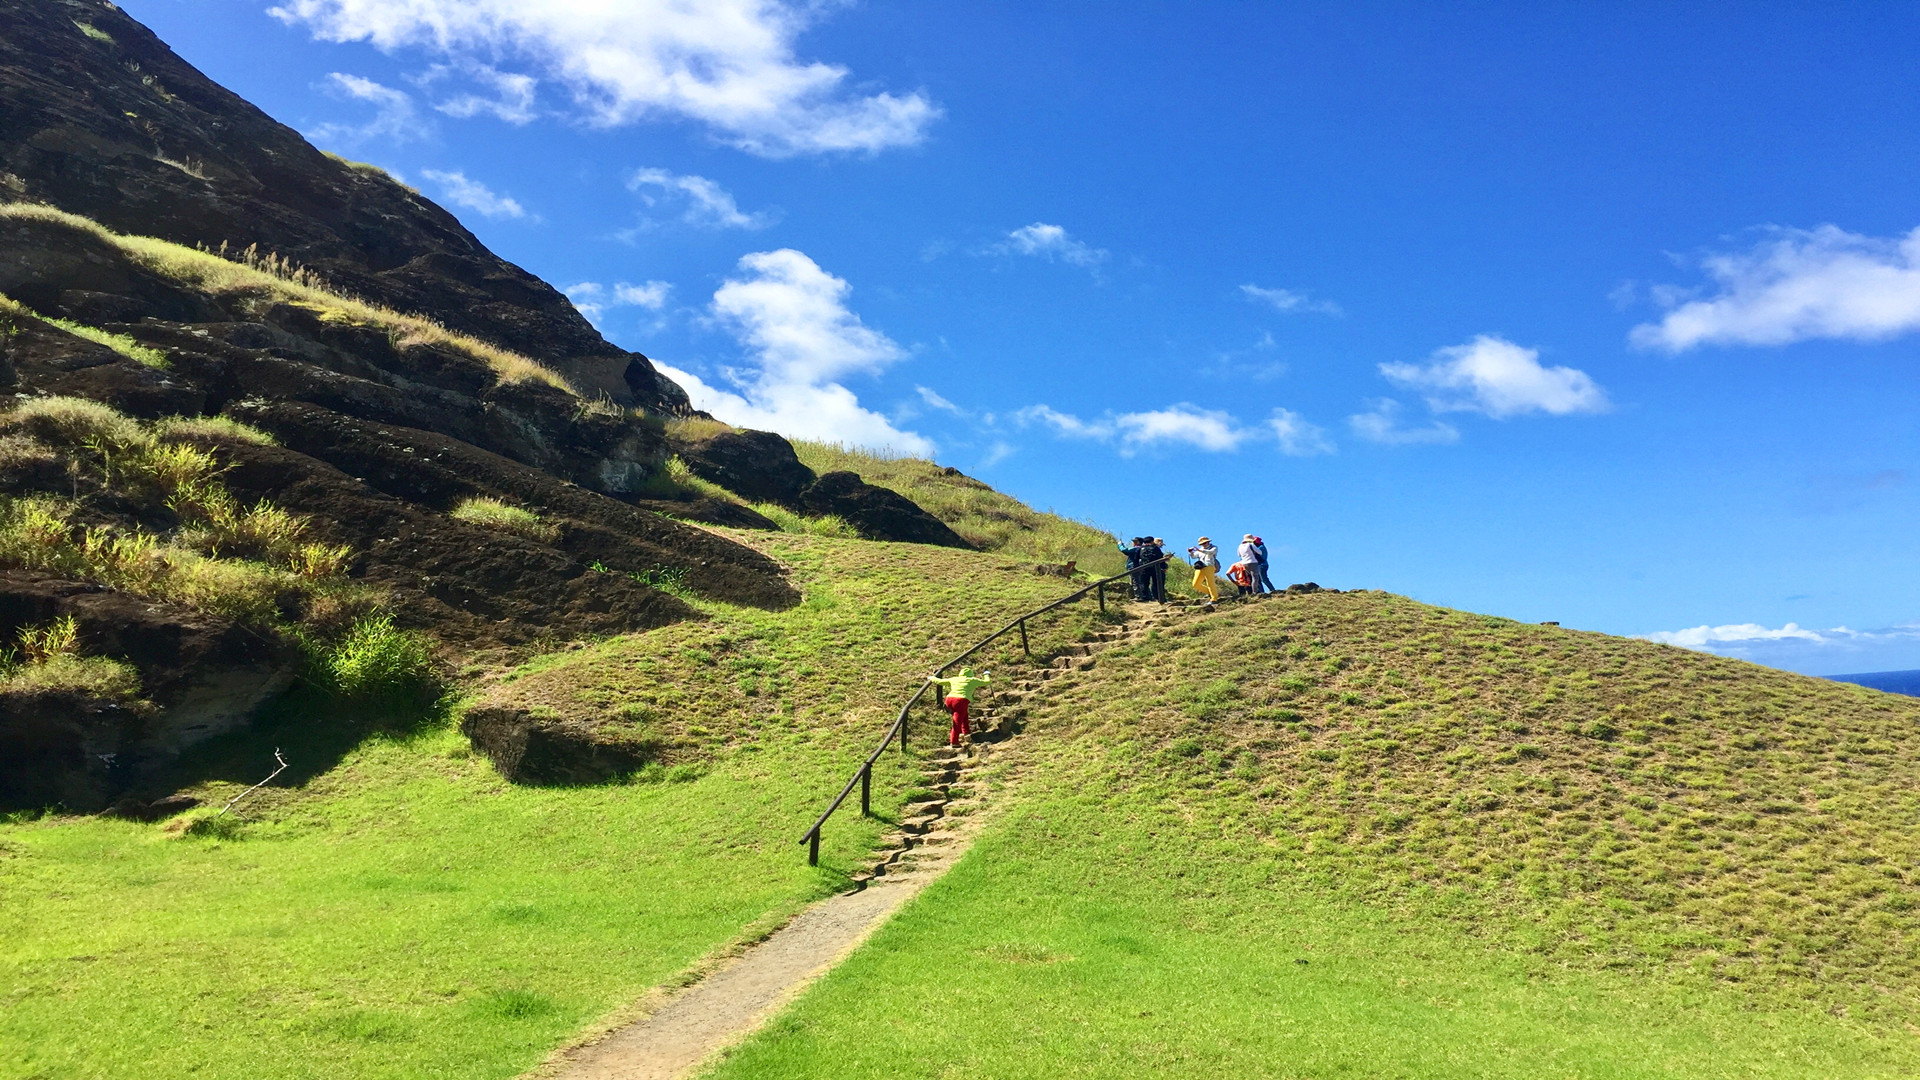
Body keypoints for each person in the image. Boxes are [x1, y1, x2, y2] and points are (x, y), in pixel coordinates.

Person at [929, 666, 991, 747]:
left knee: (964, 714)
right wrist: (986, 674)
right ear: (971, 675)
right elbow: (987, 682)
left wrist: (931, 678)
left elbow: (940, 681)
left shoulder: (954, 679)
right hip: (960, 701)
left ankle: (966, 732)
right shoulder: (972, 680)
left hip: (949, 700)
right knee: (957, 722)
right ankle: (954, 742)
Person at [1187, 536, 1221, 604]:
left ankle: (1214, 599)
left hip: (1209, 566)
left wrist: (1199, 550)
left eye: (1205, 542)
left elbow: (1211, 552)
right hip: (1200, 567)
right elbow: (1194, 556)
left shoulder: (1214, 547)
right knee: (1195, 584)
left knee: (1210, 583)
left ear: (1208, 542)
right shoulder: (1200, 549)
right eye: (1202, 543)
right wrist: (1190, 552)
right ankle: (1210, 593)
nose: (1204, 544)